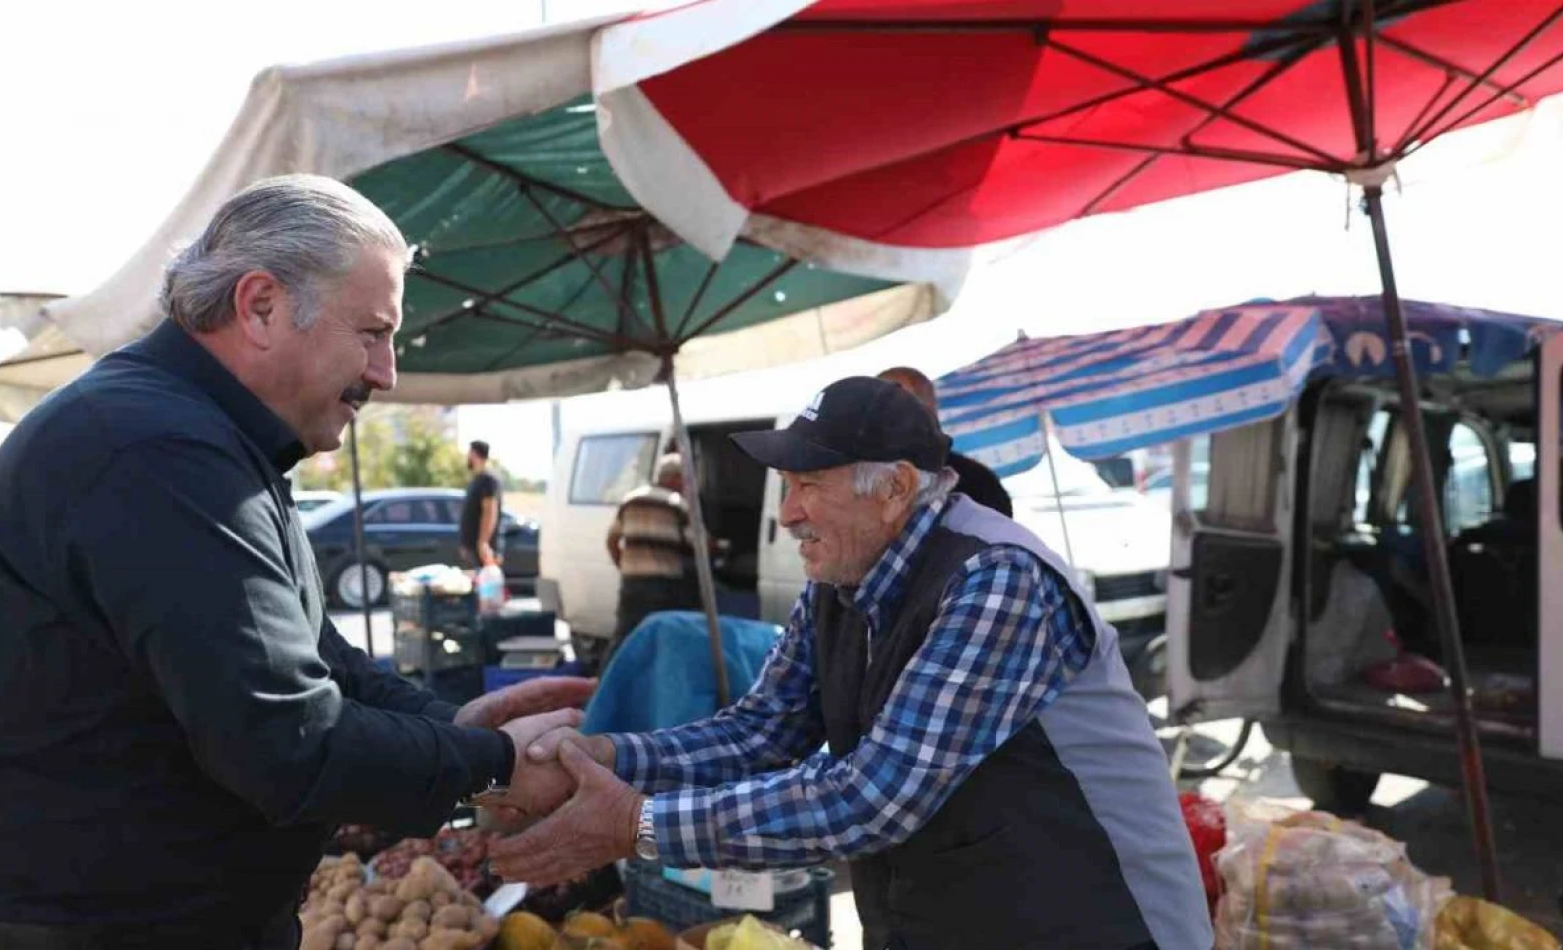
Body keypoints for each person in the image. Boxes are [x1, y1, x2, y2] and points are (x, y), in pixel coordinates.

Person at [0, 175, 592, 950]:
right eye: (374, 333)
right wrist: (497, 766)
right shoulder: (154, 449)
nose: (386, 375)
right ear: (261, 306)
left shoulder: (202, 440)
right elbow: (289, 745)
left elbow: (321, 660)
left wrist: (456, 726)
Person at [488, 377, 1211, 950]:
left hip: (1094, 924)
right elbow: (762, 732)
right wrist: (598, 756)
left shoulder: (998, 579)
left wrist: (638, 824)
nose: (787, 513)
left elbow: (873, 798)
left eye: (809, 485)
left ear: (896, 488)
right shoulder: (844, 577)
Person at [877, 365, 1013, 517]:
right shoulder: (862, 478)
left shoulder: (977, 483)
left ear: (928, 411)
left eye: (895, 407)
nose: (882, 417)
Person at [604, 453, 702, 661]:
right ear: (675, 479)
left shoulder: (631, 499)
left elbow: (612, 541)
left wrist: (625, 567)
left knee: (624, 635)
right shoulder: (677, 503)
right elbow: (698, 545)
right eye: (686, 479)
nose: (687, 484)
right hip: (664, 585)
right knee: (667, 638)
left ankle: (605, 685)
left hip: (633, 582)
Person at [460, 440, 501, 570]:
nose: (467, 457)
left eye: (469, 453)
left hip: (481, 550)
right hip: (471, 547)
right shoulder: (477, 479)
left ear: (474, 454)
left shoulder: (488, 480)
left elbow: (489, 511)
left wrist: (483, 542)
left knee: (486, 587)